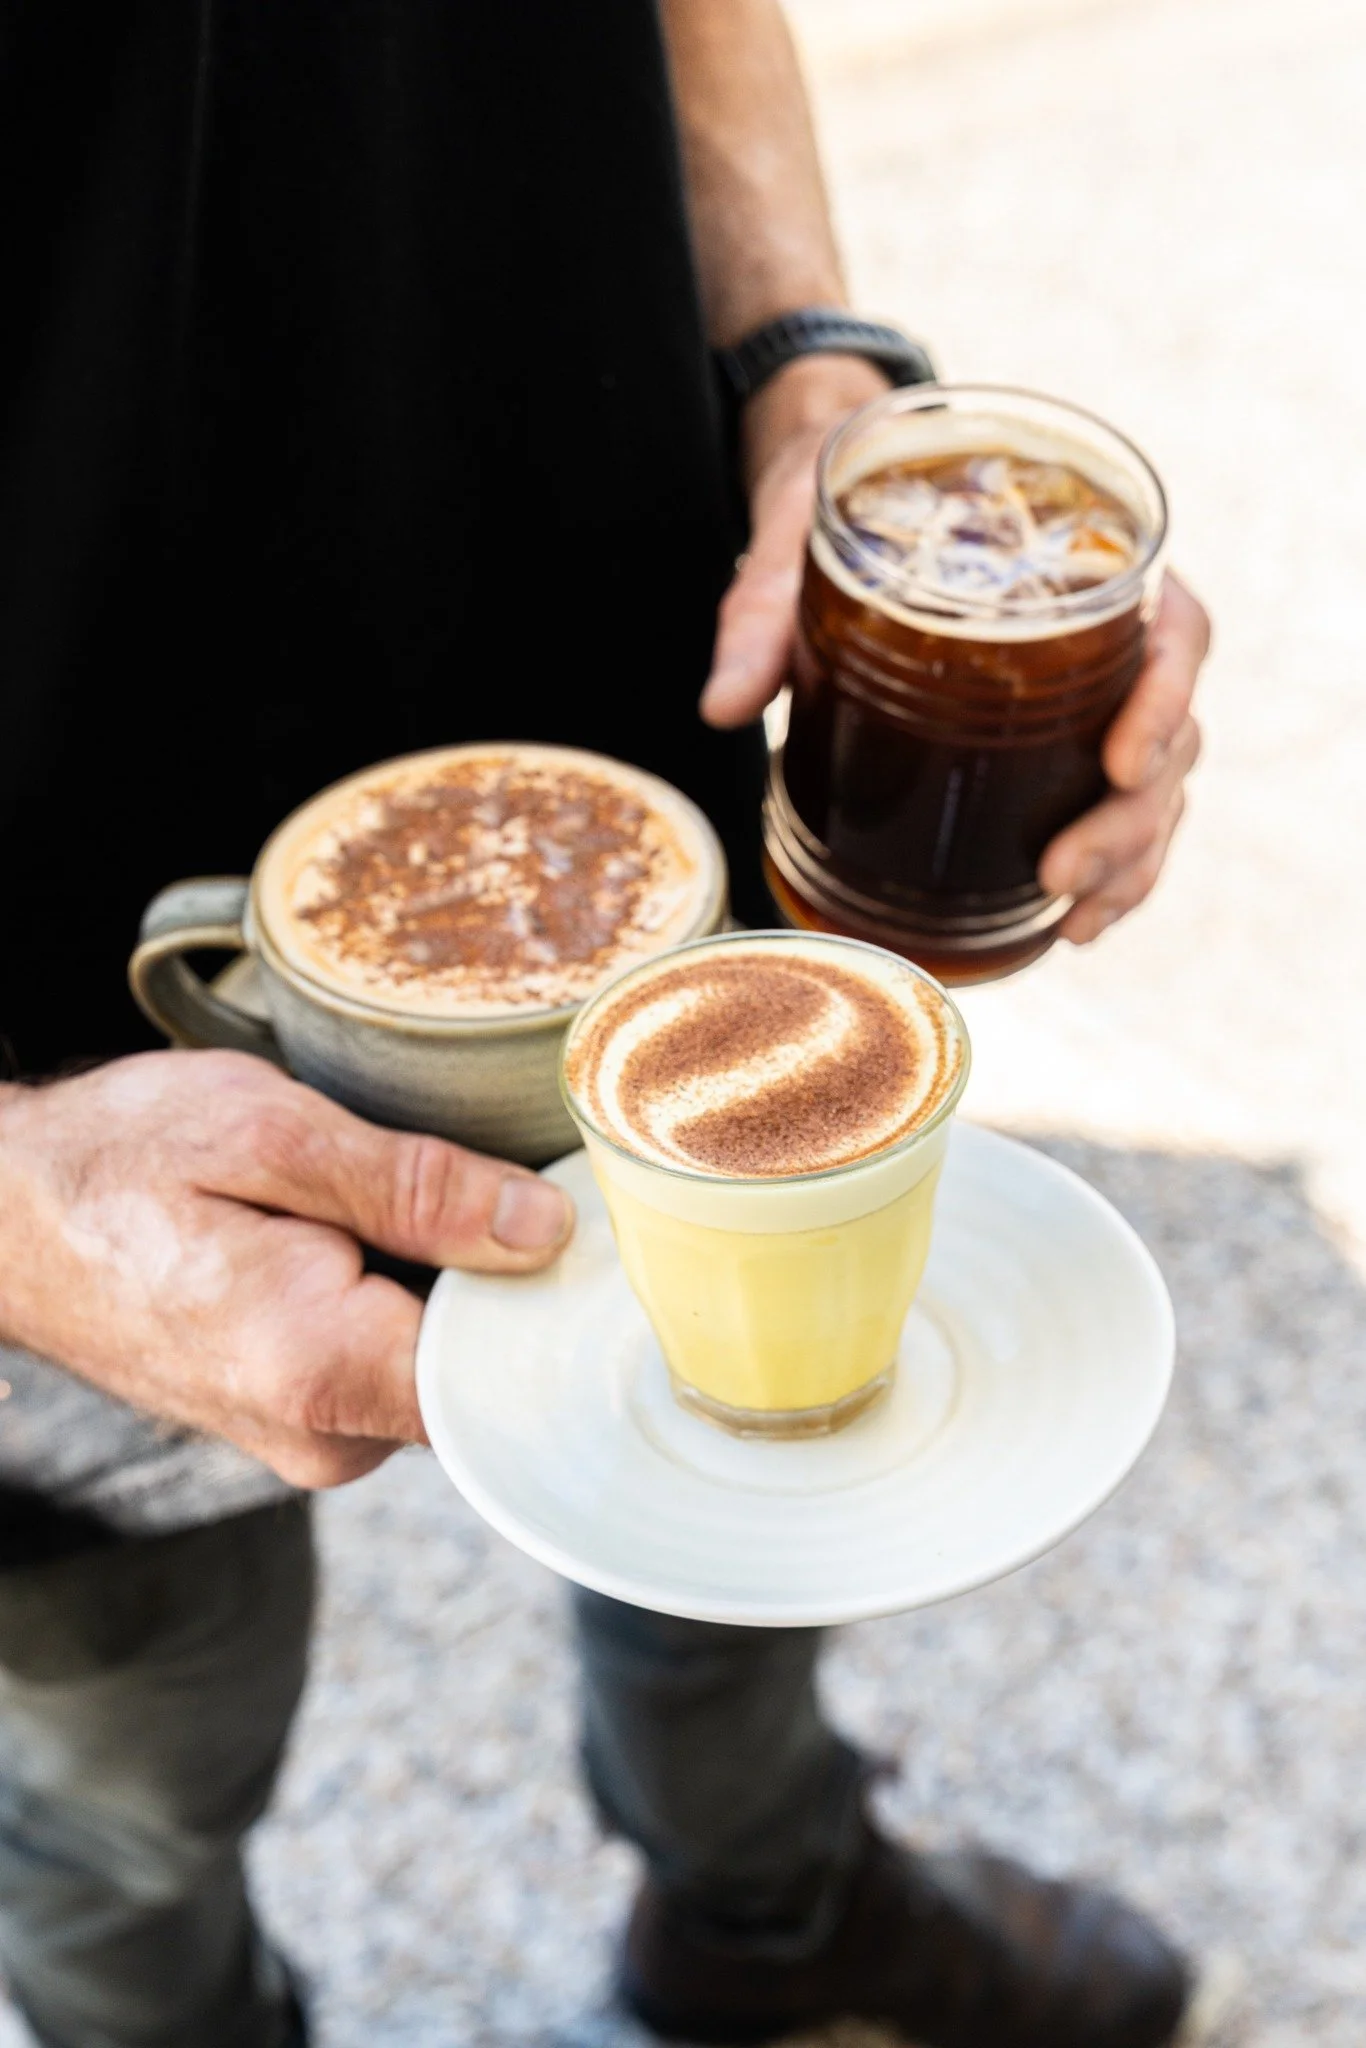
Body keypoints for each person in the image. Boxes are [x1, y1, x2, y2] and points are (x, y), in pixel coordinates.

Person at [0, 3, 1208, 2044]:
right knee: (123, 1778)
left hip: (635, 690)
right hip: (45, 973)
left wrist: (804, 372)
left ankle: (762, 1913)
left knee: (751, 1456)